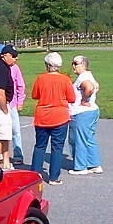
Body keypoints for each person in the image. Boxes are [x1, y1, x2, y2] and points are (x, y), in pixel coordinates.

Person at [30, 52, 76, 185]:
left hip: (43, 115)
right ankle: (54, 177)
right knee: (57, 147)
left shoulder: (41, 78)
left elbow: (35, 95)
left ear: (48, 65)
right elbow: (71, 98)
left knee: (40, 146)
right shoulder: (65, 79)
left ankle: (35, 174)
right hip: (59, 116)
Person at [67, 55, 103, 175]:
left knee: (79, 139)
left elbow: (89, 87)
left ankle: (81, 166)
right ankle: (94, 164)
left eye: (75, 63)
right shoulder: (88, 75)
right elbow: (97, 85)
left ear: (83, 65)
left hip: (81, 112)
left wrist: (84, 100)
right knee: (89, 139)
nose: (73, 66)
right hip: (91, 111)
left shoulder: (84, 78)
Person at [7, 46, 26, 164]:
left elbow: (20, 85)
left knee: (15, 131)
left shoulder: (15, 68)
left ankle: (18, 155)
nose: (15, 59)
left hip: (12, 103)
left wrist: (20, 101)